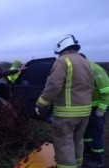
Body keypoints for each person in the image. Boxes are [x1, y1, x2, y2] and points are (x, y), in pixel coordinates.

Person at [35, 34, 93, 168]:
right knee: (78, 141)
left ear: (62, 49)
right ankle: (78, 165)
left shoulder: (62, 61)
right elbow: (90, 85)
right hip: (85, 112)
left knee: (64, 144)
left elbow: (54, 86)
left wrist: (40, 103)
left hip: (66, 114)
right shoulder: (85, 62)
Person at [80, 53, 109, 167]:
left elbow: (107, 91)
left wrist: (101, 110)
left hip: (99, 106)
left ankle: (98, 160)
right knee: (86, 132)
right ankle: (88, 152)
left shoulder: (95, 70)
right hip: (88, 107)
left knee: (97, 132)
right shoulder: (81, 70)